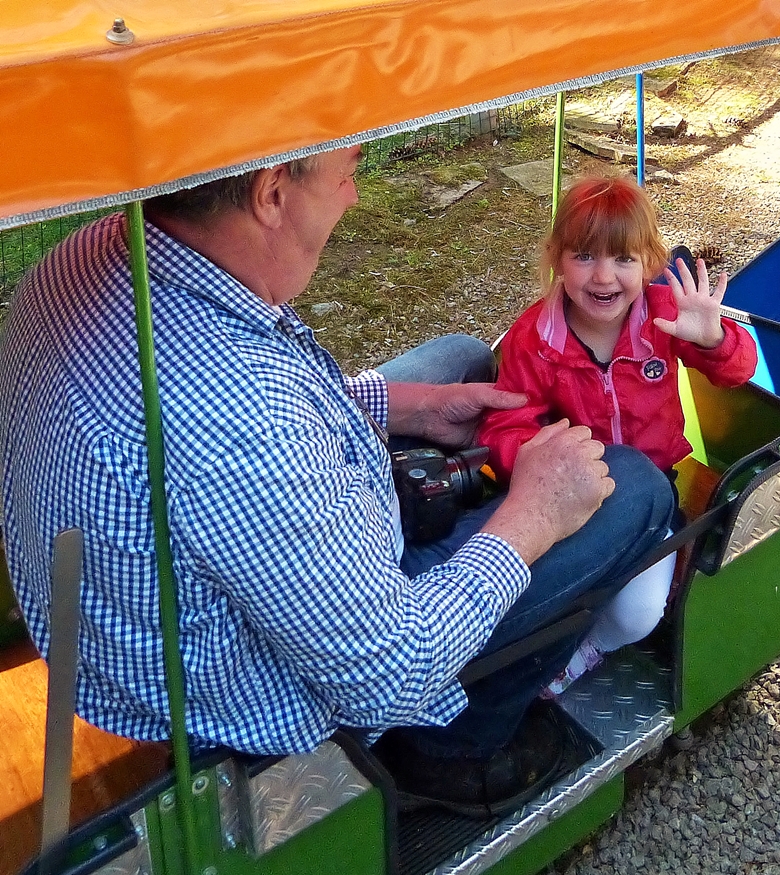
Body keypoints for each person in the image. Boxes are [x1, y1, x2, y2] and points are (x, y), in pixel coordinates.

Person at [0, 148, 675, 818]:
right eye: (347, 171)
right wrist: (531, 516)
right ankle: (452, 750)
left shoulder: (96, 250)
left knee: (463, 359)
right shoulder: (247, 420)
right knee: (634, 485)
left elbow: (263, 404)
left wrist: (411, 407)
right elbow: (390, 669)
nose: (353, 195)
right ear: (270, 194)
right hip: (248, 689)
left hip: (130, 603)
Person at [478, 174, 757, 696]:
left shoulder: (665, 317)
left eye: (623, 259)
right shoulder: (534, 339)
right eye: (584, 256)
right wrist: (537, 458)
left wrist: (716, 337)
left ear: (650, 261)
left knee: (637, 616)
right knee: (536, 595)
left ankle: (592, 646)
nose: (603, 276)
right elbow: (505, 422)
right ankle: (539, 650)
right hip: (569, 496)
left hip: (652, 492)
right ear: (557, 257)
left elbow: (737, 371)